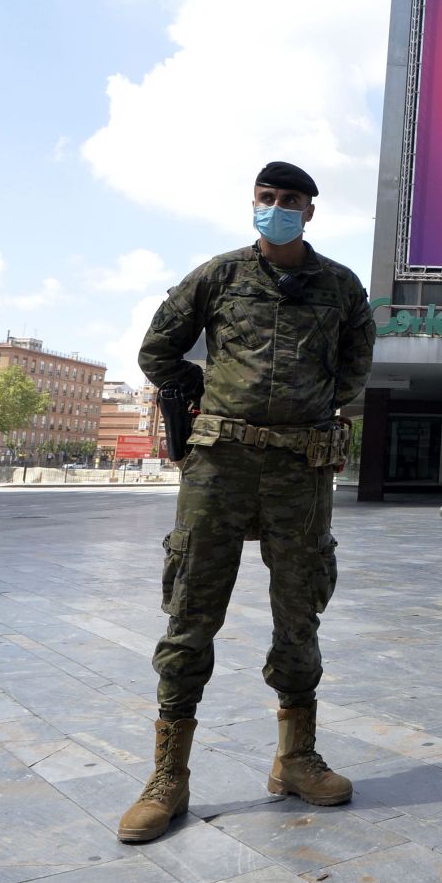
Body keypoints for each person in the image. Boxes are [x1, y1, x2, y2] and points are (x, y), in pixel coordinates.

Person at [119, 161, 377, 845]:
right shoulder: (220, 276)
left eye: (290, 200)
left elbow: (356, 363)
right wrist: (204, 387)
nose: (277, 208)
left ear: (309, 212)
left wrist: (316, 404)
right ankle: (168, 777)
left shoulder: (342, 288)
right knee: (191, 609)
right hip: (220, 466)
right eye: (267, 198)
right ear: (254, 203)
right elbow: (157, 350)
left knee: (300, 610)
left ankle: (296, 758)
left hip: (300, 469)